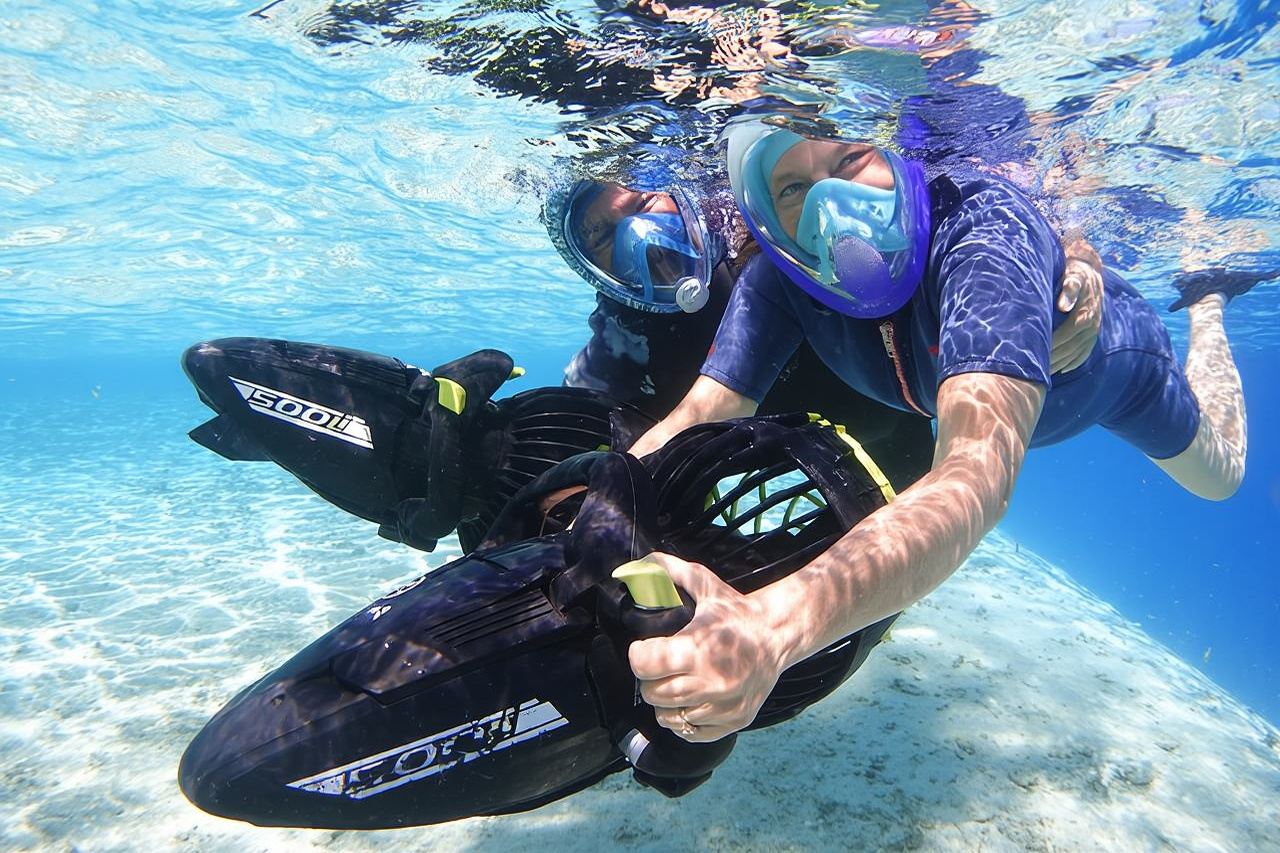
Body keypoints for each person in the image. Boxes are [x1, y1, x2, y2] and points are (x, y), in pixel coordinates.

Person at [621, 120, 1269, 744]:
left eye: (849, 161)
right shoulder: (780, 278)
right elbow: (701, 413)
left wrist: (770, 627)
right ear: (764, 211)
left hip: (1115, 372)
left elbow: (973, 473)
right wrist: (596, 499)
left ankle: (1207, 303)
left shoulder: (980, 232)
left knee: (1221, 477)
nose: (828, 204)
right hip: (969, 379)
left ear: (903, 159)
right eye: (792, 189)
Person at [547, 155, 1107, 491]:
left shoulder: (777, 237)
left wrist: (1075, 256)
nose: (638, 237)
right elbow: (579, 442)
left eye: (647, 200)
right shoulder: (620, 341)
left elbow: (964, 203)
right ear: (587, 263)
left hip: (887, 434)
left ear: (680, 192)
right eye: (600, 234)